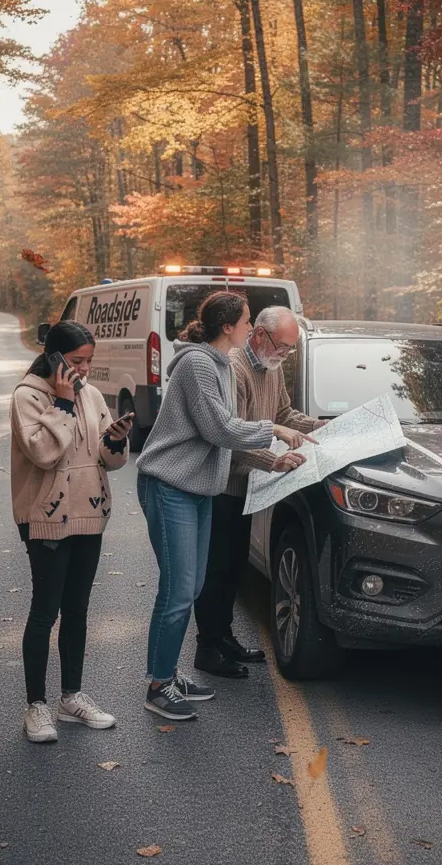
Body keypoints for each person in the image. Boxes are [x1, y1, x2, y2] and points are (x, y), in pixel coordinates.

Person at [135, 291, 312, 721]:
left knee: (193, 587)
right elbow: (220, 428)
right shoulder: (199, 364)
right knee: (179, 591)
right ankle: (158, 686)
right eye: (247, 321)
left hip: (198, 489)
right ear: (228, 326)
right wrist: (273, 433)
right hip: (170, 485)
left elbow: (232, 428)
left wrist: (287, 442)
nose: (251, 328)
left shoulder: (216, 364)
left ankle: (167, 674)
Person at [10, 320, 133, 743]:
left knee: (77, 609)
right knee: (45, 611)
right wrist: (62, 403)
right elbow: (44, 453)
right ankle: (36, 707)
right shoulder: (27, 397)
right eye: (77, 361)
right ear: (54, 357)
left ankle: (71, 698)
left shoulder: (93, 395)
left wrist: (115, 440)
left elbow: (108, 461)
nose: (84, 369)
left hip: (89, 514)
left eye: (89, 361)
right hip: (44, 518)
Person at [193, 306, 325, 677]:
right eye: (282, 346)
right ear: (260, 336)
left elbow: (283, 415)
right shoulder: (234, 368)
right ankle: (207, 649)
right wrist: (273, 461)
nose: (286, 354)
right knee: (216, 570)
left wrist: (319, 426)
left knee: (234, 568)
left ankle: (224, 639)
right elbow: (229, 435)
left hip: (248, 487)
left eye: (290, 349)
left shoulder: (272, 365)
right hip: (222, 485)